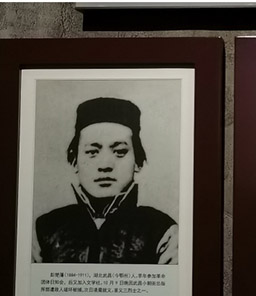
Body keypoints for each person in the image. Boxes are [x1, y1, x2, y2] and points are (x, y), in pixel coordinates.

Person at [33, 97, 178, 264]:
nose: (105, 165)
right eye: (92, 152)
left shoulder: (163, 232)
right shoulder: (44, 230)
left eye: (120, 151)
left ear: (138, 161)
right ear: (74, 161)